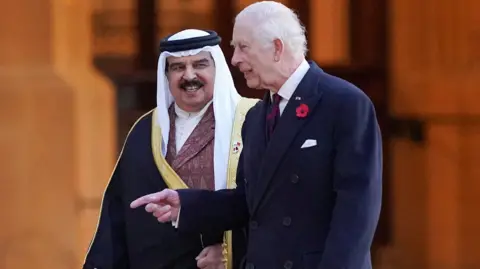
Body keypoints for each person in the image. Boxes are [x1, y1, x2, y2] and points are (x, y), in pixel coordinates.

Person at [131, 2, 383, 269]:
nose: (235, 59)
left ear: (276, 48)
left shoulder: (344, 103)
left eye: (243, 47)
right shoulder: (256, 116)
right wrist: (186, 205)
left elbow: (356, 212)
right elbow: (249, 201)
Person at [84, 29, 258, 269]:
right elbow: (119, 215)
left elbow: (271, 207)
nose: (189, 76)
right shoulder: (146, 128)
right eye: (177, 67)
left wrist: (234, 252)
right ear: (166, 75)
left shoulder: (253, 119)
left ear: (217, 68)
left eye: (200, 64)